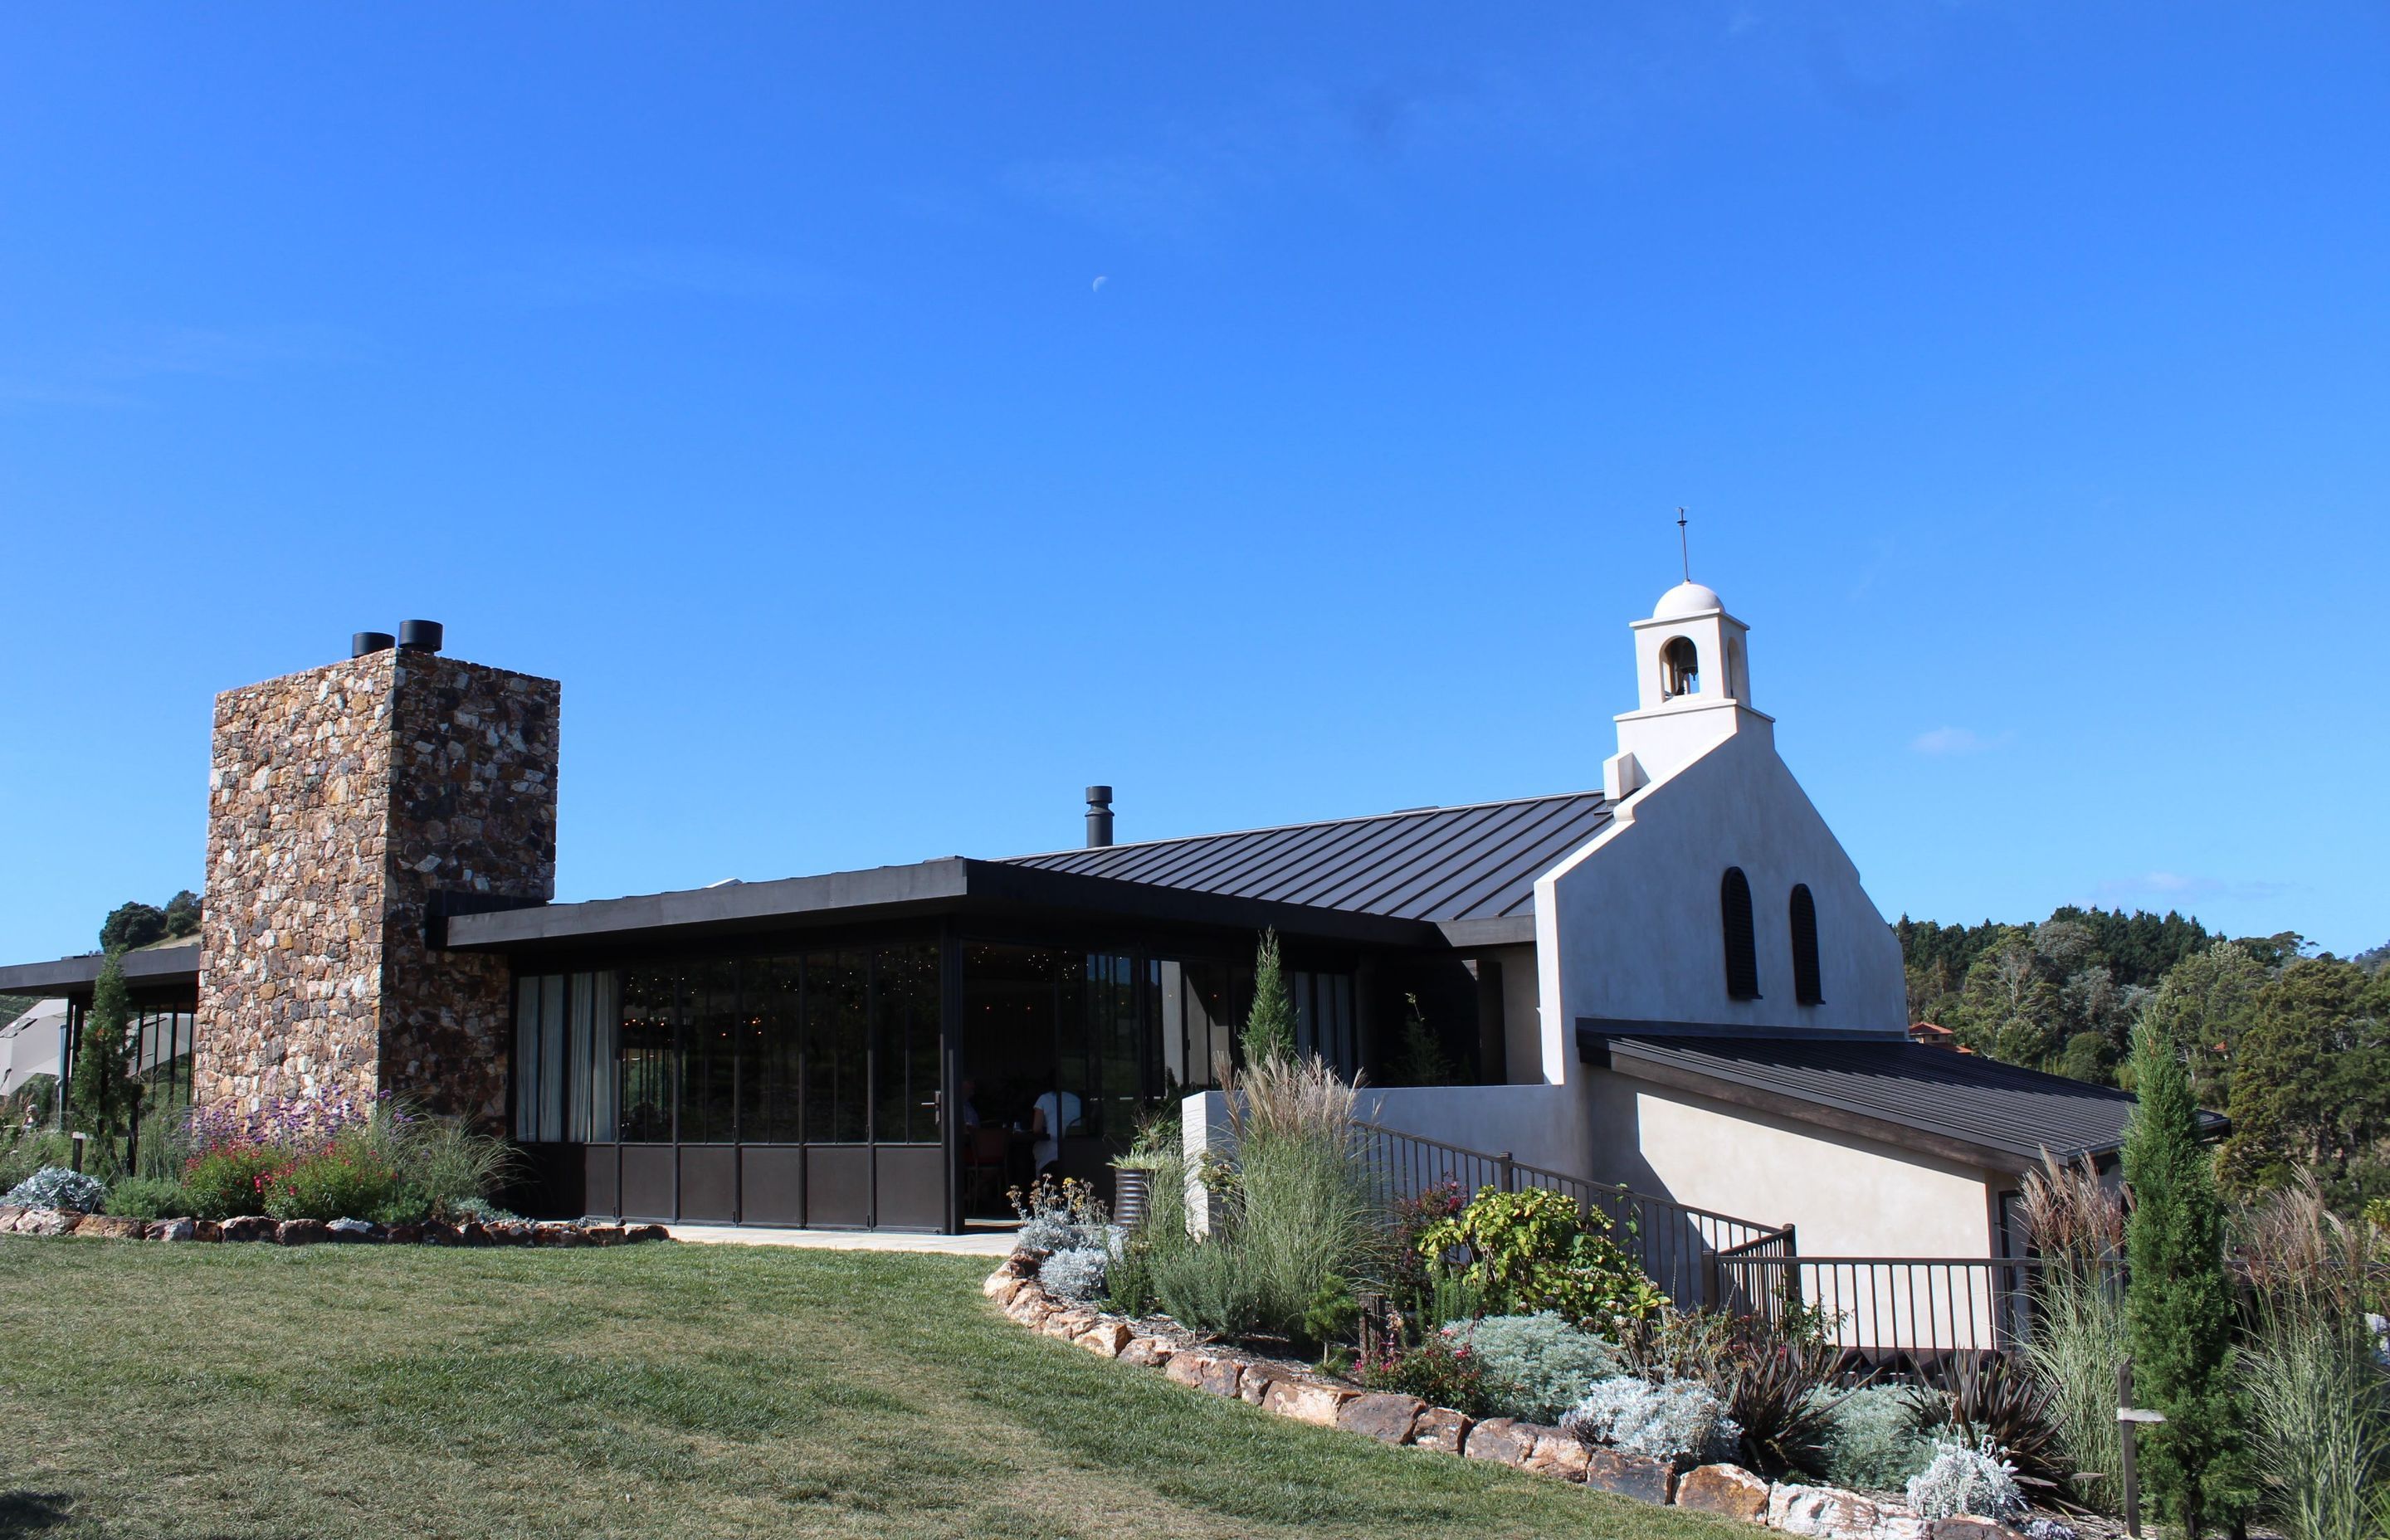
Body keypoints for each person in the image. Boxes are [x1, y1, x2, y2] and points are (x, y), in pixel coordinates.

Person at [1029, 1086, 1081, 1176]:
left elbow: (1036, 1129)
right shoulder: (1076, 1099)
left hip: (1054, 1148)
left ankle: (1040, 1184)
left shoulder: (1044, 1098)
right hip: (1076, 1147)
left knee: (1038, 1150)